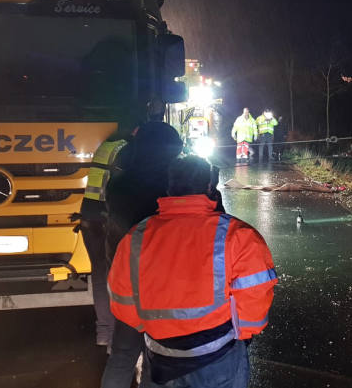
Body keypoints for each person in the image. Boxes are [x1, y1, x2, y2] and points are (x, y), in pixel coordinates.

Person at [107, 155, 277, 387]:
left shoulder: (136, 237)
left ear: (169, 188)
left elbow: (122, 299)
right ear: (209, 186)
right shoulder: (238, 235)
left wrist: (154, 328)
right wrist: (243, 334)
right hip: (218, 356)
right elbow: (255, 298)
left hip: (160, 356)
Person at [101, 121, 183, 388]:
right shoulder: (171, 185)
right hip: (161, 282)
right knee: (155, 354)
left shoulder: (119, 182)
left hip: (125, 277)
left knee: (123, 353)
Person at [79, 132, 130, 347]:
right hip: (107, 217)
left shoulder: (108, 145)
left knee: (100, 275)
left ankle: (104, 333)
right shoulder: (127, 148)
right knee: (121, 275)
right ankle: (120, 335)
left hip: (90, 214)